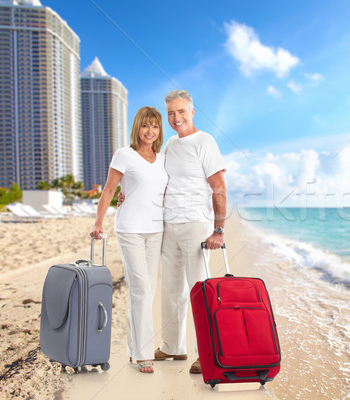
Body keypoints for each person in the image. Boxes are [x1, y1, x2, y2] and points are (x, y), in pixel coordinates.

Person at [90, 106, 168, 374]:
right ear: (137, 127)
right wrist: (98, 222)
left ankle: (134, 349)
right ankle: (144, 354)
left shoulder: (162, 158)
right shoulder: (124, 154)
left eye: (155, 126)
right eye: (145, 126)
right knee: (140, 289)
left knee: (147, 292)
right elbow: (110, 189)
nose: (150, 131)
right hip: (129, 228)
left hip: (155, 229)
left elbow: (164, 191)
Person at [154, 90, 227, 374]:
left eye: (181, 111)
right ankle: (173, 347)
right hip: (169, 224)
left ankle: (206, 353)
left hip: (196, 224)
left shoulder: (205, 141)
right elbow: (158, 178)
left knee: (199, 290)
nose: (176, 118)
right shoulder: (171, 143)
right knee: (171, 289)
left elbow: (218, 187)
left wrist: (219, 229)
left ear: (192, 111)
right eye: (171, 113)